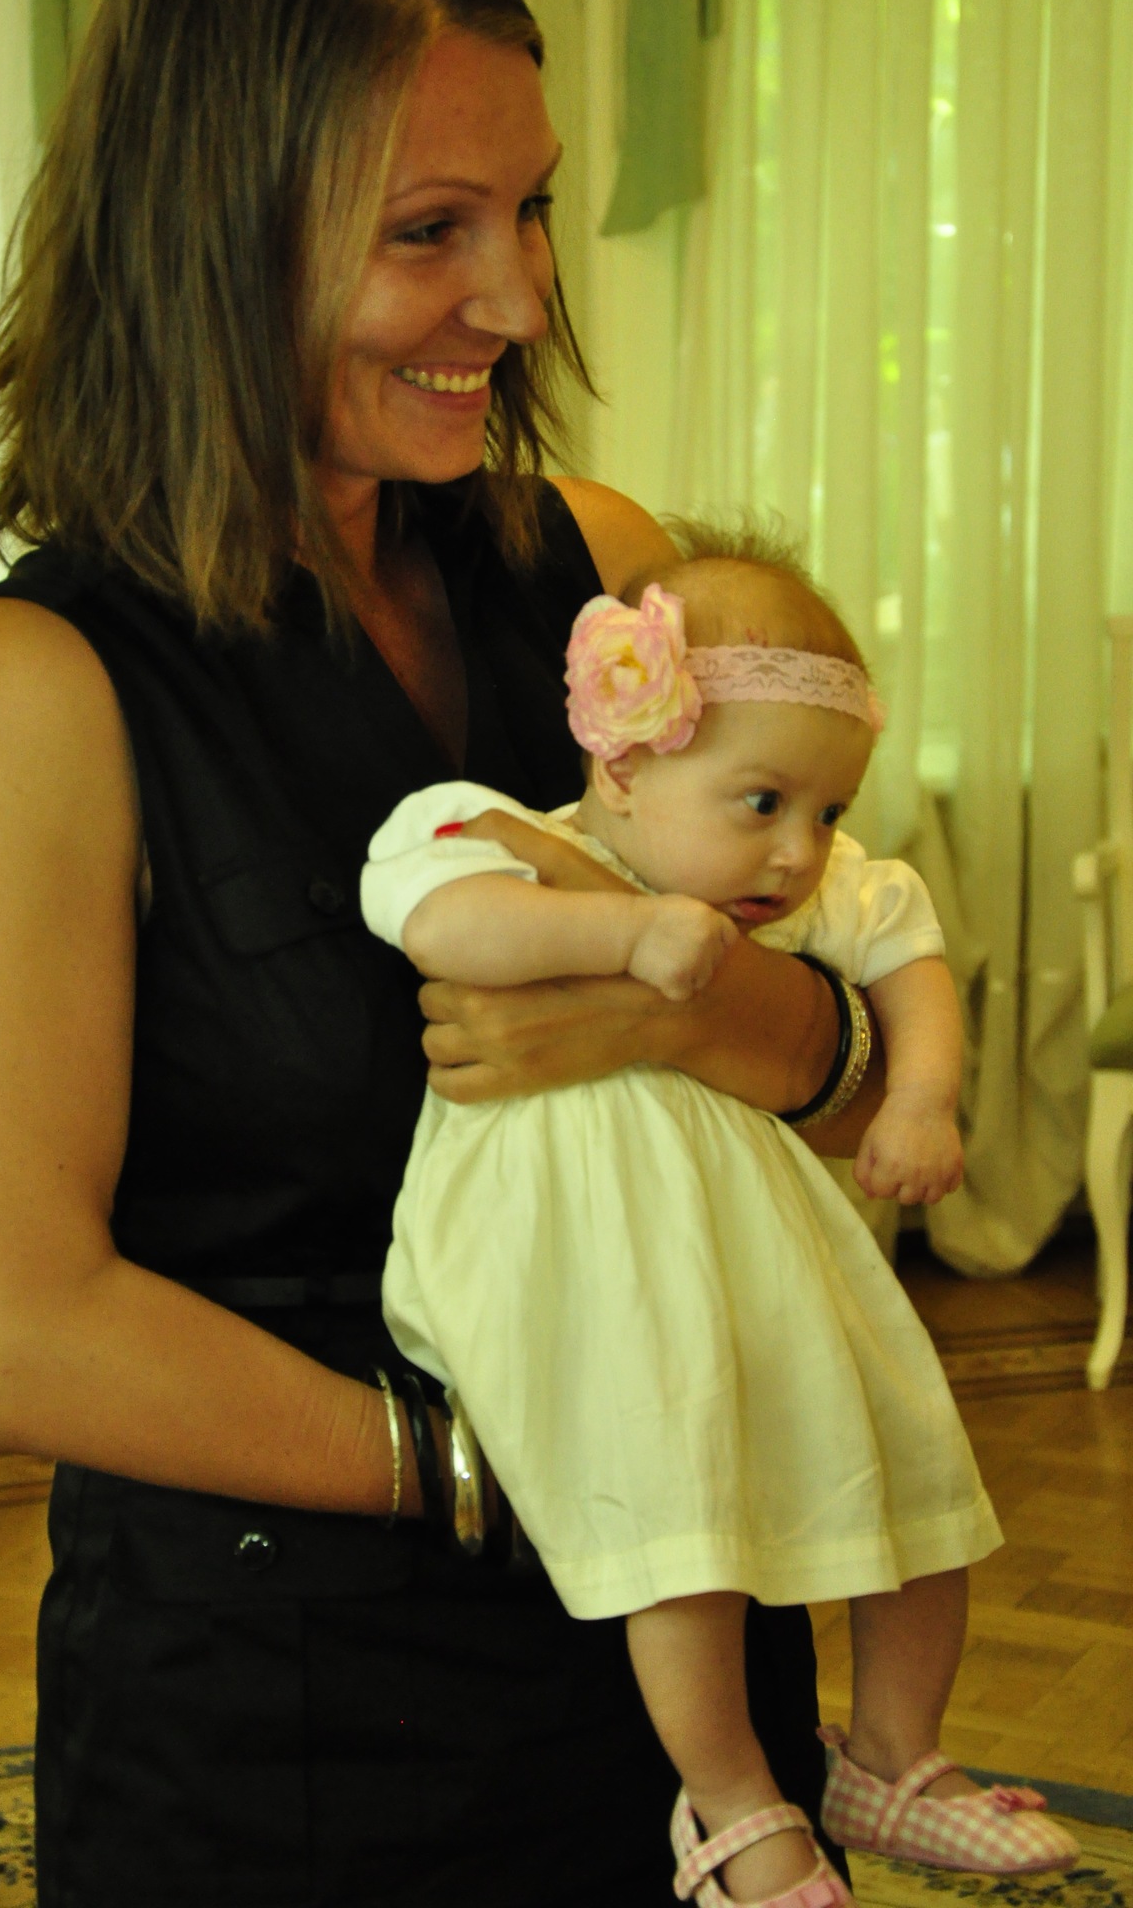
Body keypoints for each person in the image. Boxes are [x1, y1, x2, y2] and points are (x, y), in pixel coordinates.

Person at [0, 0, 891, 1903]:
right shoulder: (45, 684)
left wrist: (714, 1006)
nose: (516, 299)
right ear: (211, 235)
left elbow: (855, 1075)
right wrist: (474, 1461)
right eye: (430, 231)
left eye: (530, 209)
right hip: (291, 1720)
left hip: (684, 1680)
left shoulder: (598, 574)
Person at [360, 537, 1081, 1908]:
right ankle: (733, 1804)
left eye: (828, 808)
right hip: (586, 1269)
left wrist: (922, 1100)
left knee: (918, 1477)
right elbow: (439, 929)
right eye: (763, 801)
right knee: (676, 1532)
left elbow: (909, 958)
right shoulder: (503, 837)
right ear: (626, 761)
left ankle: (893, 1753)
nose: (800, 850)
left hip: (763, 1258)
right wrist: (627, 937)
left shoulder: (808, 882)